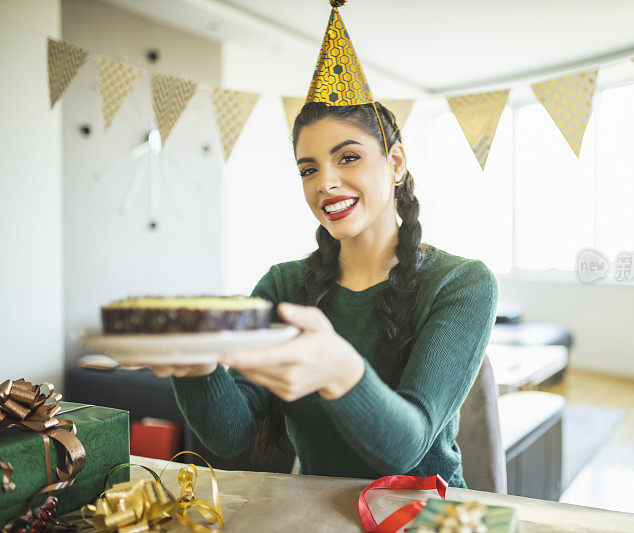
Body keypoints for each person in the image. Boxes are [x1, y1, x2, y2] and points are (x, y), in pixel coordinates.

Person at [147, 0, 499, 489]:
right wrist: (197, 368)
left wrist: (339, 368)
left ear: (395, 163)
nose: (325, 183)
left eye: (348, 158)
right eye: (308, 168)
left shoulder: (462, 283)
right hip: (313, 511)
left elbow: (406, 446)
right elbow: (233, 435)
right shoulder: (283, 284)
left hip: (422, 514)